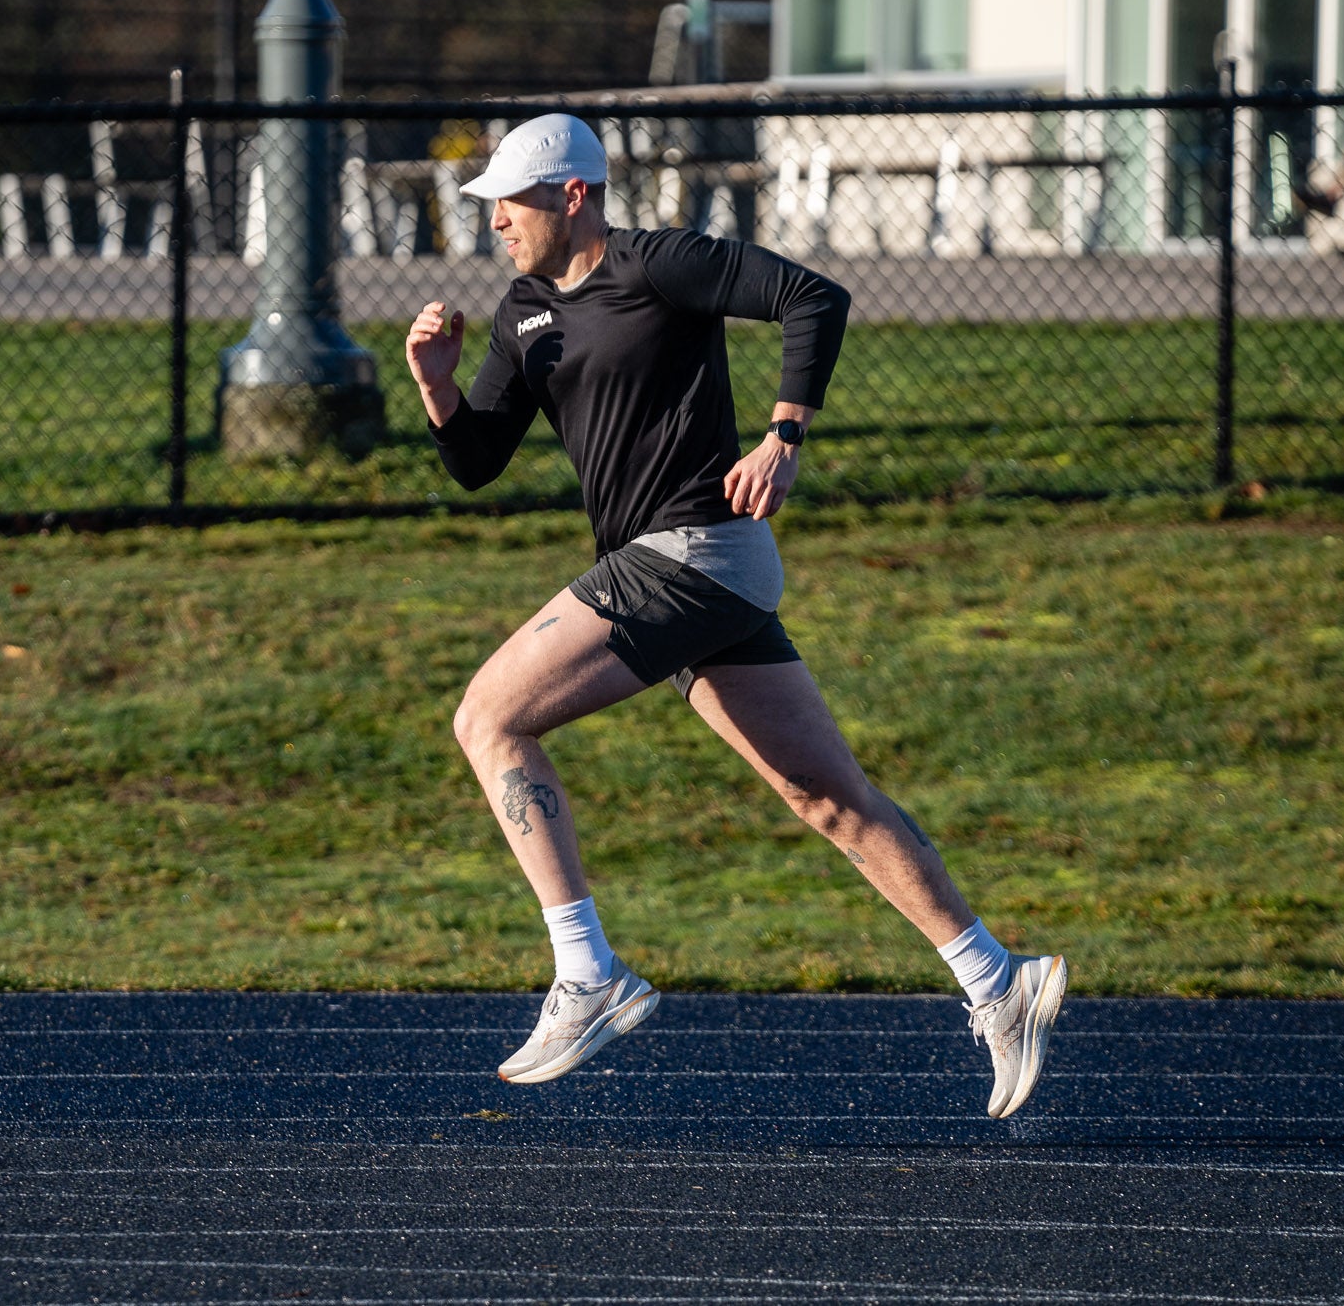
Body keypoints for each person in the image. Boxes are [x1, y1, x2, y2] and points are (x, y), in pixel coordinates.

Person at [403, 113, 1066, 1117]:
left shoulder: (656, 263)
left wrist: (782, 435)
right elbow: (475, 465)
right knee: (826, 798)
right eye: (491, 203)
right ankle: (994, 981)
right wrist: (438, 390)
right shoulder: (522, 311)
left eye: (512, 199)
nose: (495, 219)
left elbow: (812, 297)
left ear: (572, 195)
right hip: (692, 575)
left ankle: (586, 973)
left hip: (691, 550)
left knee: (487, 719)